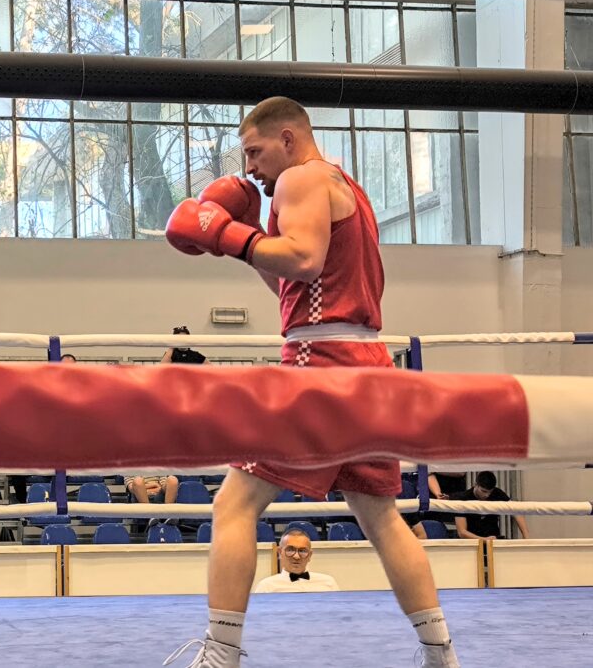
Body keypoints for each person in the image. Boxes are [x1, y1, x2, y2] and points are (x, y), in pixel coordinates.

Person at [163, 97, 458, 668]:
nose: (250, 167)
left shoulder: (300, 178)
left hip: (318, 362)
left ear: (288, 139)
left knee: (232, 505)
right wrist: (243, 238)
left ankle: (220, 654)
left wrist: (227, 234)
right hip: (367, 362)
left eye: (255, 151)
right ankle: (441, 655)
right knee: (381, 517)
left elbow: (301, 260)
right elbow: (295, 287)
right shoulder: (344, 185)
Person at [253, 529, 339, 593]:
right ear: (280, 553)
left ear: (310, 555)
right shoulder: (266, 587)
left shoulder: (328, 583)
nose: (296, 556)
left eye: (302, 551)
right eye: (290, 550)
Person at [453, 471, 529, 541]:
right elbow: (462, 532)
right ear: (475, 485)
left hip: (494, 540)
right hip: (472, 542)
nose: (487, 495)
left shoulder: (497, 493)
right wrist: (484, 540)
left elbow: (516, 511)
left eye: (490, 492)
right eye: (483, 491)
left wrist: (526, 537)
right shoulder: (463, 499)